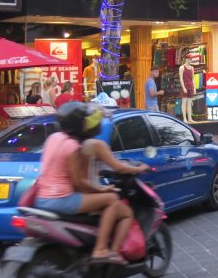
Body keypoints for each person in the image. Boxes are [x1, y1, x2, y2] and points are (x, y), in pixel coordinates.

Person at [35, 102, 147, 265]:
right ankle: (101, 249)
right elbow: (80, 181)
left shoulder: (54, 138)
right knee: (112, 199)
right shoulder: (75, 146)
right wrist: (103, 190)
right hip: (60, 198)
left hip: (42, 197)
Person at [179, 55, 195, 122]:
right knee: (184, 102)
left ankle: (190, 118)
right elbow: (181, 78)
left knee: (189, 103)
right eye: (189, 59)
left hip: (190, 86)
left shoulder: (192, 68)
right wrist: (183, 88)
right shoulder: (182, 67)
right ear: (186, 59)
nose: (190, 60)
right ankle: (184, 118)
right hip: (185, 86)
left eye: (191, 59)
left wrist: (194, 88)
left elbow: (193, 78)